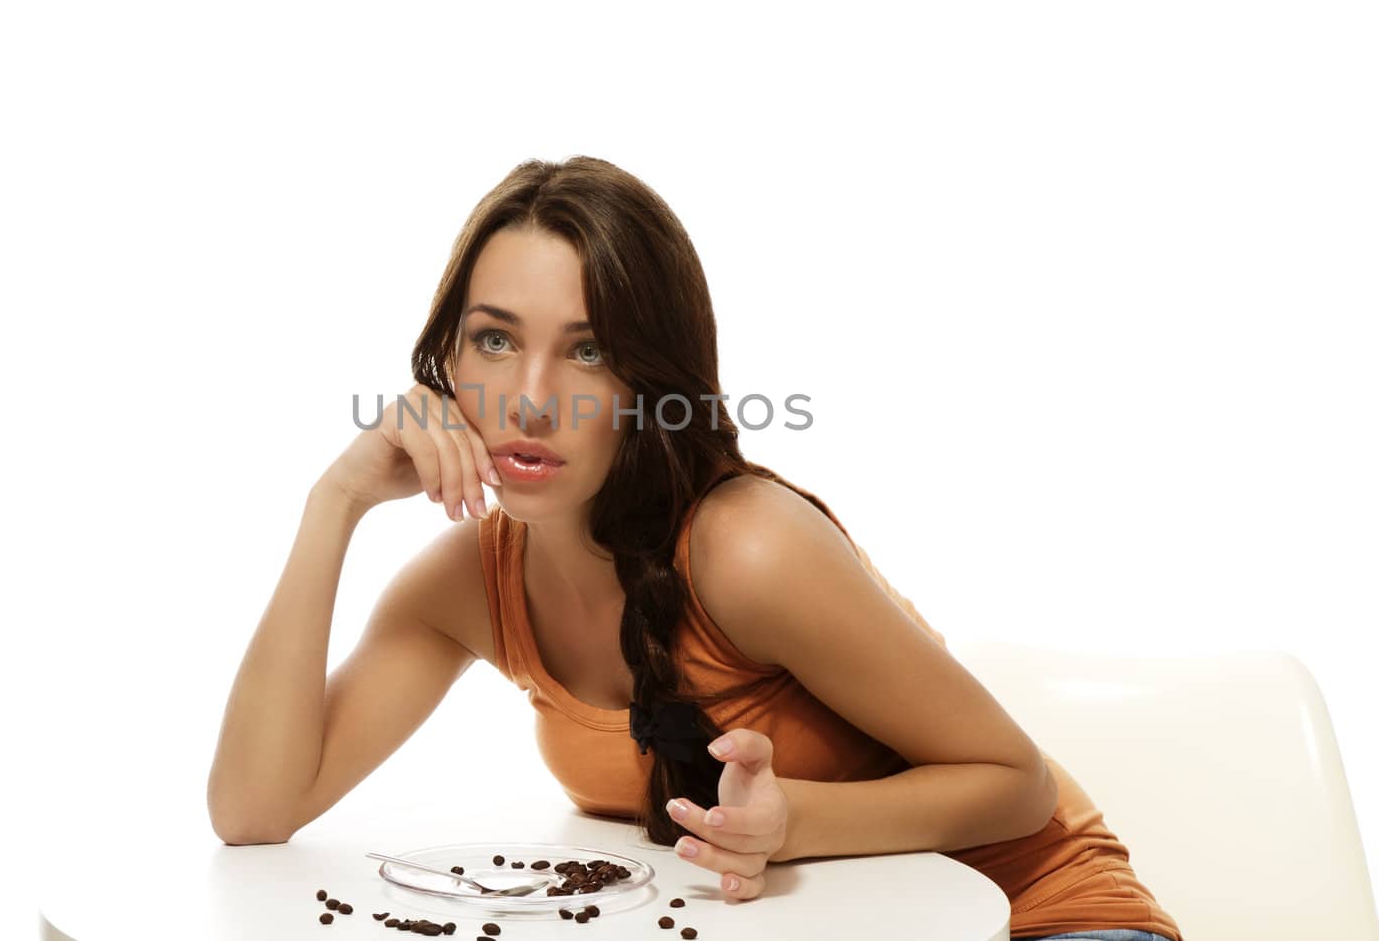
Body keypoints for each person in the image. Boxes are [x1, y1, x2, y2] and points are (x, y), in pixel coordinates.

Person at [206, 156, 1183, 941]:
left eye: (587, 350)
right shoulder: (470, 581)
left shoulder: (745, 547)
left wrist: (791, 821)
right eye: (495, 339)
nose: (532, 394)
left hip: (1036, 913)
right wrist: (332, 503)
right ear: (445, 359)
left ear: (651, 380)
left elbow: (1018, 783)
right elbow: (255, 807)